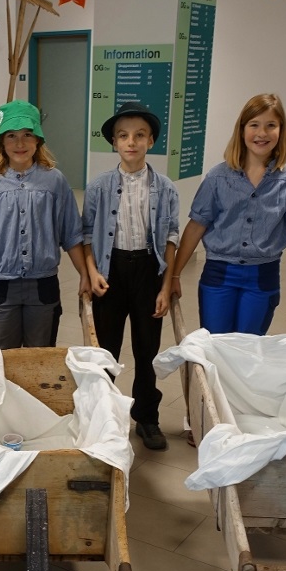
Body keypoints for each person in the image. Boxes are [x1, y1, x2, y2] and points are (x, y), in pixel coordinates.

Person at [168, 93, 286, 336]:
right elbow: (196, 226)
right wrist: (175, 274)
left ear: (281, 130)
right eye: (254, 125)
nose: (262, 133)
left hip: (262, 277)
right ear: (242, 129)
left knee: (249, 346)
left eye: (271, 125)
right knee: (215, 344)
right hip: (219, 275)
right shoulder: (218, 177)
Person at [82, 102, 180, 451]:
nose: (131, 142)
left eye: (140, 135)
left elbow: (171, 237)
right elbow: (86, 234)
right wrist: (92, 272)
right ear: (114, 142)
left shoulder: (165, 188)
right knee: (106, 350)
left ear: (151, 141)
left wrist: (166, 286)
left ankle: (147, 417)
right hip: (111, 272)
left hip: (148, 272)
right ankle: (105, 417)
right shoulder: (99, 187)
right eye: (123, 136)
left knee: (147, 349)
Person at [0, 99, 90, 349]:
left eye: (28, 134)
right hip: (0, 287)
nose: (20, 143)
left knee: (40, 356)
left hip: (43, 286)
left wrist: (84, 274)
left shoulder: (55, 182)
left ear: (38, 139)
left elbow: (71, 234)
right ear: (1, 142)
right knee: (4, 357)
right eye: (12, 136)